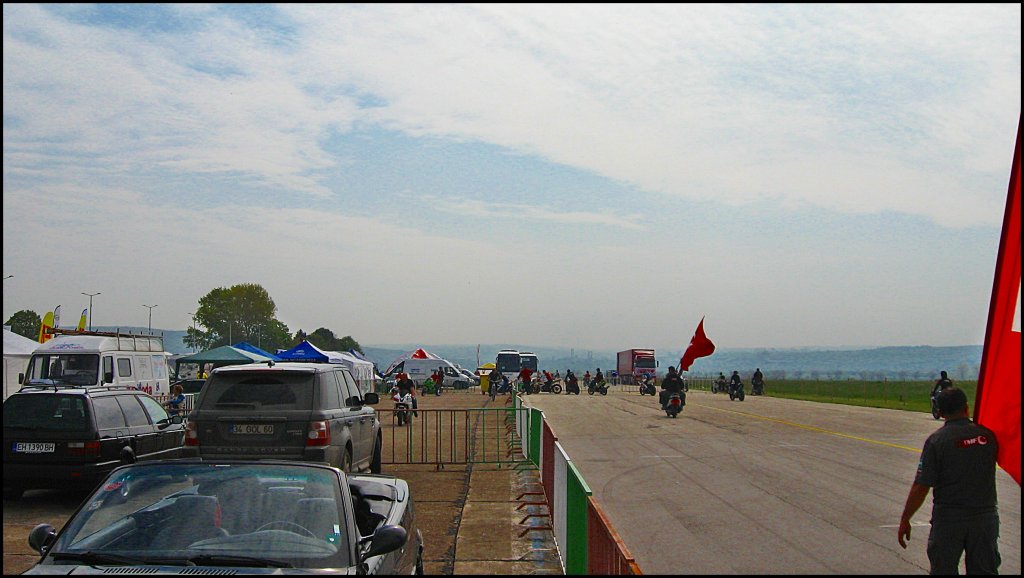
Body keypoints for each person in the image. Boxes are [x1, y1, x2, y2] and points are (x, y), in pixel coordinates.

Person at [897, 387, 1000, 574]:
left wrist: (905, 518)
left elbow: (921, 486)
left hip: (949, 520)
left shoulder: (937, 441)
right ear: (966, 408)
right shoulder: (988, 436)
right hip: (984, 518)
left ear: (940, 412)